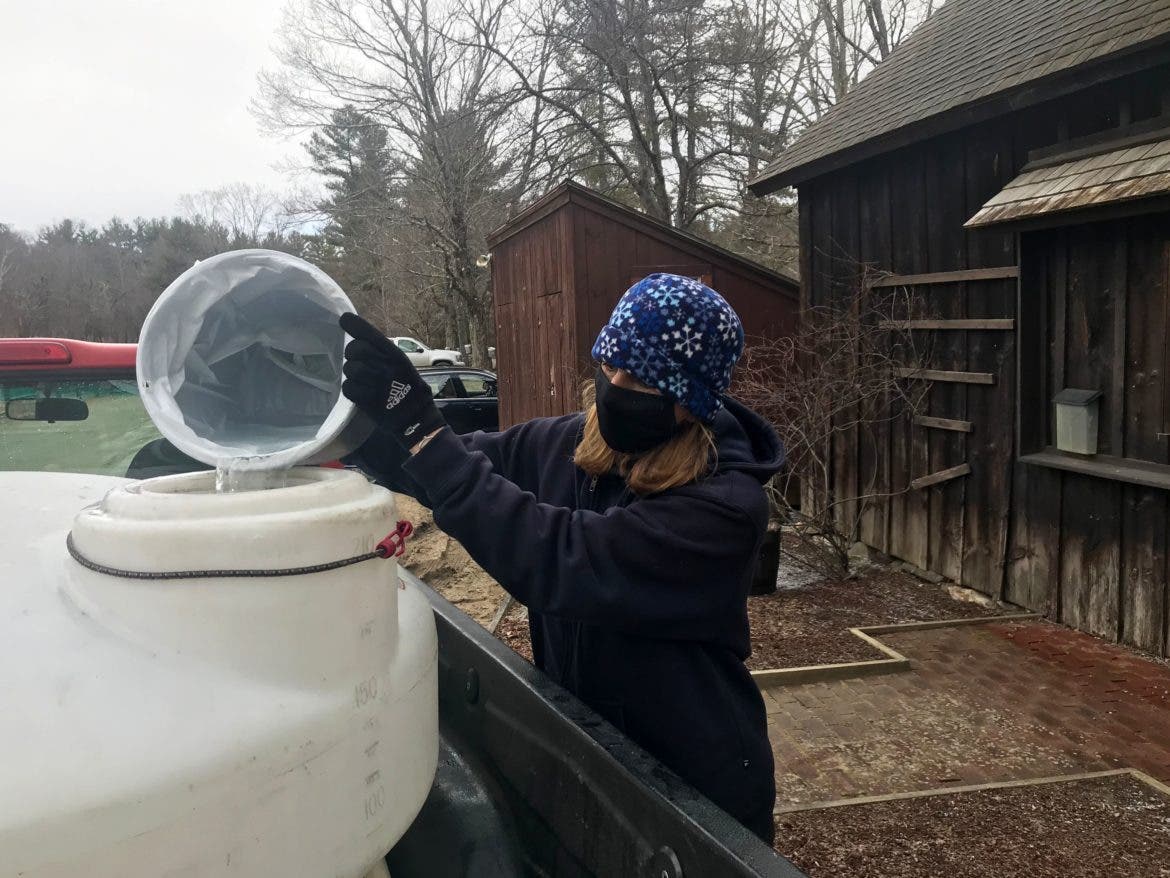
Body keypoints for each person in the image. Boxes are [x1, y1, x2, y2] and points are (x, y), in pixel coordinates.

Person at [340, 273, 784, 843]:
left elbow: (561, 557)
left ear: (690, 399)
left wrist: (423, 429)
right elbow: (458, 467)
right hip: (593, 758)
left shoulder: (724, 507)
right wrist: (367, 428)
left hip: (698, 791)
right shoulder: (573, 442)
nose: (616, 385)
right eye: (610, 364)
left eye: (642, 378)